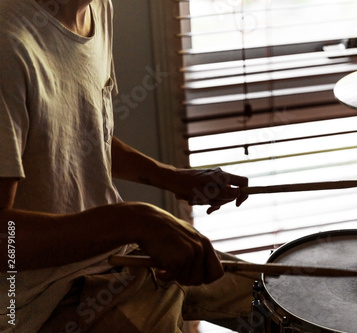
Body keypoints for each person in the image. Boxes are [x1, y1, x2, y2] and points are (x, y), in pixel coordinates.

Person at [0, 0, 257, 331]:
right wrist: (134, 221)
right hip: (40, 300)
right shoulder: (8, 45)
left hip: (117, 255)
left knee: (284, 299)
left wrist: (173, 178)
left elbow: (82, 134)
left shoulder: (98, 9)